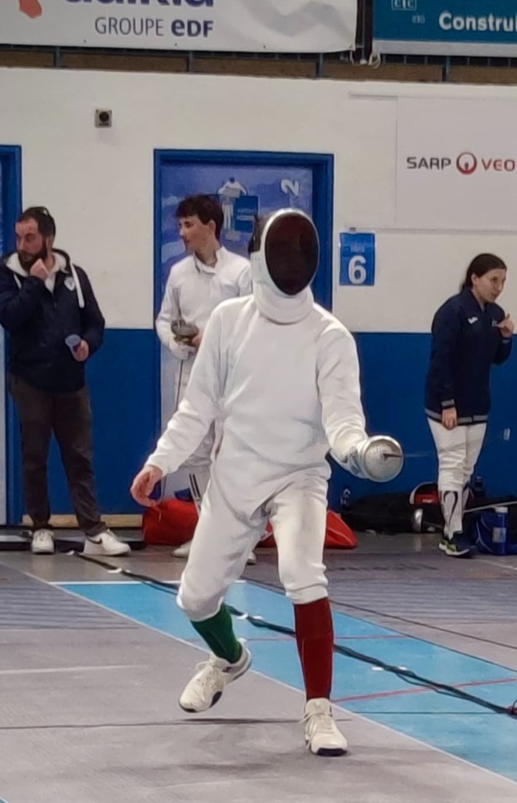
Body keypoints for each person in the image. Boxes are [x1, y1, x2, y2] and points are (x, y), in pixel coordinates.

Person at [130, 210, 403, 756]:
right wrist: (160, 463)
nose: (290, 262)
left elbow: (343, 422)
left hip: (299, 478)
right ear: (259, 258)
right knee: (196, 598)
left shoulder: (329, 336)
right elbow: (198, 407)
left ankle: (319, 710)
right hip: (235, 476)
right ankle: (229, 658)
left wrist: (359, 451)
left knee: (304, 575)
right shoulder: (229, 322)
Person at [0, 206, 130, 558]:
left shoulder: (75, 277)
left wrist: (87, 345)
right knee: (34, 457)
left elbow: (95, 323)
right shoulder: (8, 275)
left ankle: (93, 530)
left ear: (48, 239)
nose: (22, 245)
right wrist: (34, 283)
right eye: (19, 237)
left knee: (79, 457)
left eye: (30, 238)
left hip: (71, 383)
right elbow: (9, 316)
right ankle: (40, 526)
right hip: (30, 380)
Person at [156, 194, 253, 559]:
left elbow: (252, 321)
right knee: (195, 455)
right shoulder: (179, 273)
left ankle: (238, 541)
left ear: (210, 227)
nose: (182, 233)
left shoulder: (241, 272)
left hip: (234, 379)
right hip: (193, 375)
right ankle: (207, 536)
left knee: (232, 455)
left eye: (189, 225)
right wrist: (179, 343)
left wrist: (209, 338)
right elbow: (164, 319)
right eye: (180, 225)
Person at [424, 255, 514, 557]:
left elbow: (497, 358)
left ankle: (453, 528)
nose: (498, 287)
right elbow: (440, 360)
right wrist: (447, 404)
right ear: (474, 279)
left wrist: (506, 338)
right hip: (446, 406)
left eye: (502, 281)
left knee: (466, 470)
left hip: (477, 405)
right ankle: (453, 533)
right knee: (451, 464)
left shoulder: (495, 314)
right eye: (493, 280)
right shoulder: (452, 312)